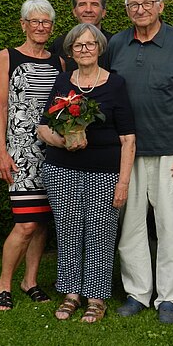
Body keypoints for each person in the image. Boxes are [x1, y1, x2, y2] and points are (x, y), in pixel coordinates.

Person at [106, 0, 173, 324]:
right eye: (134, 5)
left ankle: (169, 298)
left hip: (171, 150)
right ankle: (137, 293)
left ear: (161, 6)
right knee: (131, 227)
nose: (141, 10)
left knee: (170, 227)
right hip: (127, 151)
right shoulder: (117, 44)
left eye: (148, 3)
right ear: (126, 10)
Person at [38, 23, 136, 323]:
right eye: (78, 45)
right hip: (61, 170)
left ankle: (96, 297)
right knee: (67, 230)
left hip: (104, 172)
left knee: (100, 233)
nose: (84, 50)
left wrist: (123, 182)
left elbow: (128, 138)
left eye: (90, 44)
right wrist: (62, 141)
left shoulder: (115, 84)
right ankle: (71, 294)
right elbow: (43, 127)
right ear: (70, 51)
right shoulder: (62, 81)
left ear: (99, 48)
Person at [0, 0, 64, 310]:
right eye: (34, 21)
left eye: (46, 22)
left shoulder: (58, 62)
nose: (40, 27)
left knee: (41, 221)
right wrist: (1, 152)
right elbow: (0, 106)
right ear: (23, 25)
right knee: (26, 224)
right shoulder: (7, 57)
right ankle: (3, 284)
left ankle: (30, 281)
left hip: (52, 153)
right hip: (20, 154)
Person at [48, 0, 112, 71]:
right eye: (82, 4)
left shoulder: (114, 44)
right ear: (74, 12)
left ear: (103, 12)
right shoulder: (60, 44)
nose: (88, 10)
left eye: (94, 4)